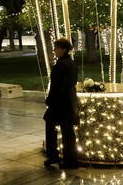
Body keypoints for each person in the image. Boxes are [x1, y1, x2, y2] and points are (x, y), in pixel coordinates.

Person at [43, 37, 80, 169]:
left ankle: (53, 156)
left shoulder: (61, 66)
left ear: (63, 49)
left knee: (51, 127)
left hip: (60, 103)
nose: (55, 50)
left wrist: (49, 100)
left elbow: (57, 87)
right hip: (69, 101)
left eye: (57, 48)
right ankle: (71, 160)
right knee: (68, 132)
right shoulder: (72, 64)